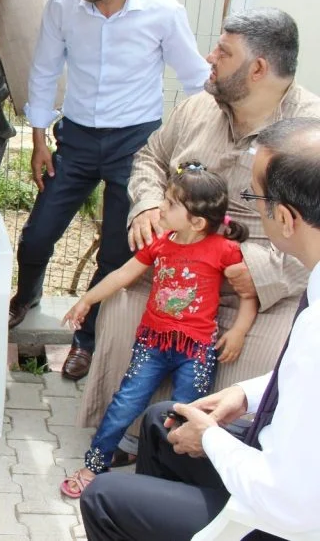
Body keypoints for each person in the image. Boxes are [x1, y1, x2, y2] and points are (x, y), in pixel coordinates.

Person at [77, 8, 320, 466]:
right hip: (177, 264)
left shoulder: (310, 133)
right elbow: (150, 158)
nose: (209, 57)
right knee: (123, 307)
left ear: (258, 69)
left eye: (223, 52)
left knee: (275, 348)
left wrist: (257, 270)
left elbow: (313, 233)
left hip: (264, 284)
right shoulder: (196, 108)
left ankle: (230, 456)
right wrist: (148, 204)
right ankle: (130, 436)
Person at [79, 116, 320, 540]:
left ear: (285, 217)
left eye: (254, 195)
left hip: (279, 515)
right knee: (162, 420)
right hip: (277, 472)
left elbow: (291, 502)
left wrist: (211, 439)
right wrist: (244, 394)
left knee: (103, 497)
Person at [10, 0, 210, 382]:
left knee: (116, 253)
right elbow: (44, 71)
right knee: (37, 234)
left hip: (136, 146)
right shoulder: (63, 6)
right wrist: (38, 139)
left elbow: (195, 79)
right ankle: (27, 297)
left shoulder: (162, 11)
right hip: (76, 139)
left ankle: (87, 340)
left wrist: (191, 145)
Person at [59, 161, 256, 498]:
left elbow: (248, 295)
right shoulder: (161, 243)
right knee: (124, 404)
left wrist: (237, 331)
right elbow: (123, 274)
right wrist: (87, 300)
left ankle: (170, 483)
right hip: (151, 345)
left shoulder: (225, 250)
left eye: (170, 203)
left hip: (196, 353)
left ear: (196, 221)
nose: (160, 207)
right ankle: (94, 466)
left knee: (185, 416)